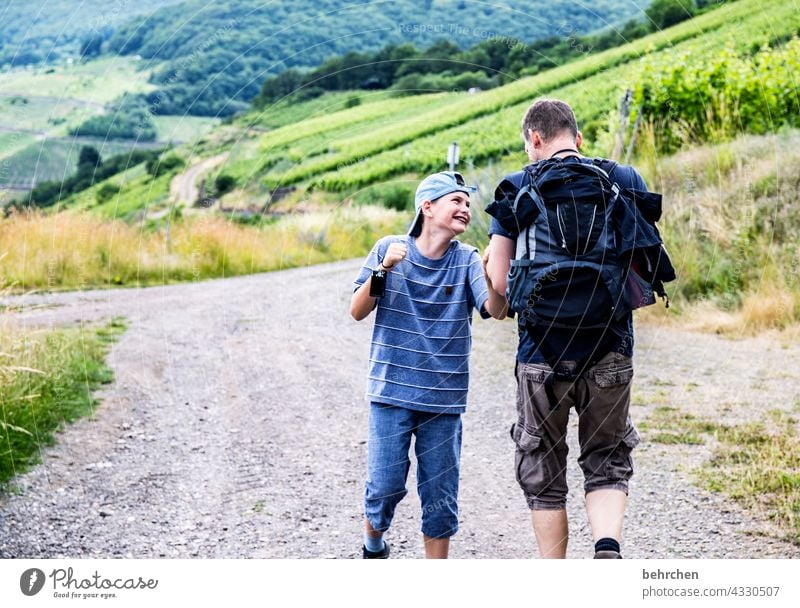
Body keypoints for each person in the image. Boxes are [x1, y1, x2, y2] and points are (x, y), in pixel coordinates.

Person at [484, 98, 647, 559]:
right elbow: (640, 264)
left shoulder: (515, 187)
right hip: (611, 346)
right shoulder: (623, 179)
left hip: (541, 354)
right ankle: (607, 548)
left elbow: (499, 282)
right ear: (577, 139)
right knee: (607, 459)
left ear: (534, 139)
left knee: (544, 471)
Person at [350, 171, 503, 559]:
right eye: (456, 201)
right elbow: (357, 311)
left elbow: (495, 310)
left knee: (440, 497)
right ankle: (373, 545)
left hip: (444, 400)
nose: (465, 209)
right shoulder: (389, 248)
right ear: (428, 206)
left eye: (468, 204)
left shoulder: (467, 259)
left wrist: (490, 272)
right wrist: (382, 270)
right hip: (391, 392)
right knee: (384, 486)